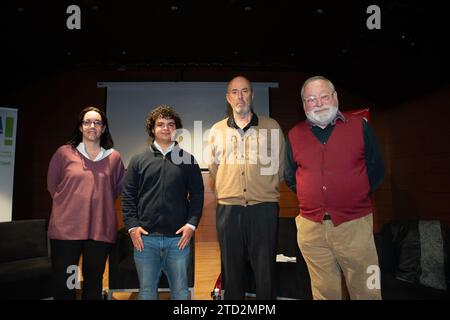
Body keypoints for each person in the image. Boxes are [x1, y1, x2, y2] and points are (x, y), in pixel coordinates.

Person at [284, 76, 385, 300]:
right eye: (311, 99)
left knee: (368, 289)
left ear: (335, 98)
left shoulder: (360, 127)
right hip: (311, 230)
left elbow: (377, 170)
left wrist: (352, 197)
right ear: (303, 105)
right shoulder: (294, 134)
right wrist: (314, 199)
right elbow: (290, 177)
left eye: (324, 96)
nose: (318, 103)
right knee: (323, 292)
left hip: (355, 226)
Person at [207, 75, 285, 299]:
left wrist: (261, 187)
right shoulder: (216, 130)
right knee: (231, 273)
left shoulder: (271, 126)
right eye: (234, 92)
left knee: (265, 272)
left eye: (244, 91)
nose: (240, 96)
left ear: (252, 94)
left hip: (264, 209)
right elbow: (214, 168)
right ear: (228, 98)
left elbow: (280, 167)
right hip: (228, 210)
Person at [121, 105, 204, 300]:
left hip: (178, 241)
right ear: (152, 129)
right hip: (145, 240)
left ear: (176, 129)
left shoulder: (188, 160)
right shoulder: (138, 160)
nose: (166, 128)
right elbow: (128, 196)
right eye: (160, 124)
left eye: (170, 124)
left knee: (181, 292)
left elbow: (198, 196)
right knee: (147, 292)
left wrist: (191, 225)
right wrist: (132, 227)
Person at [47, 106, 125, 300]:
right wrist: (70, 206)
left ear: (104, 128)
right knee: (67, 282)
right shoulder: (64, 153)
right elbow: (52, 186)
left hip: (99, 230)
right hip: (67, 231)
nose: (92, 126)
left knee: (93, 281)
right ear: (80, 127)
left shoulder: (114, 158)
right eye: (87, 122)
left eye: (97, 122)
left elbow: (116, 190)